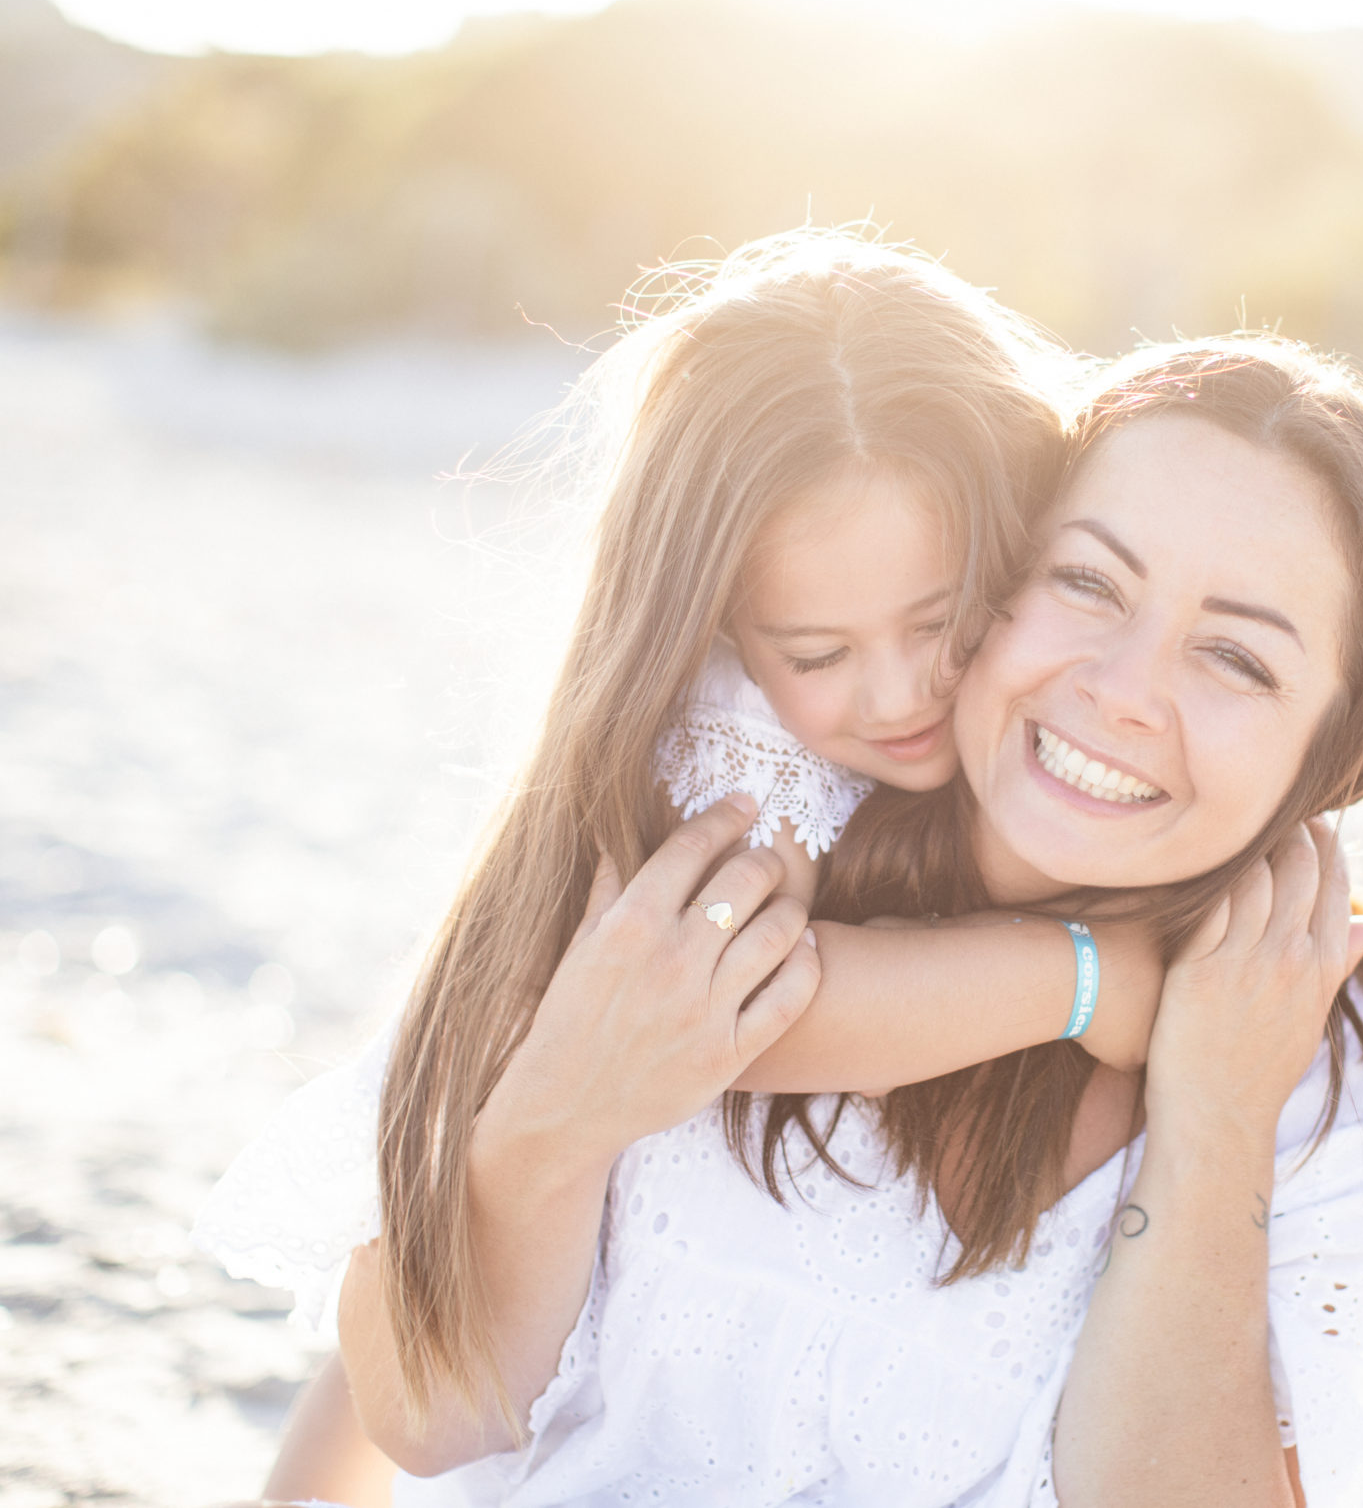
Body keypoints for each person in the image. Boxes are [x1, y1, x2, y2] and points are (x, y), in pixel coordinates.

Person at [337, 336, 1363, 1506]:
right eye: (1086, 582)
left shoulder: (1335, 1070)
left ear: (1343, 744)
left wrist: (1217, 1123)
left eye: (1234, 656)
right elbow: (416, 1394)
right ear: (995, 572)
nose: (1120, 690)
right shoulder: (738, 827)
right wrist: (1081, 974)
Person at [198, 227, 1183, 1504]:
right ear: (719, 628)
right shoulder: (718, 762)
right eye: (817, 654)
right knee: (438, 1257)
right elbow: (744, 1011)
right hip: (503, 1285)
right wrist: (1081, 977)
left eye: (944, 622)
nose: (898, 694)